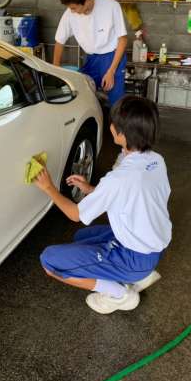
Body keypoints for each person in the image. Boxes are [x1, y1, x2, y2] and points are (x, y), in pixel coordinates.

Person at [33, 95, 172, 314]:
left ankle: (120, 295)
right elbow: (130, 193)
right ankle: (135, 275)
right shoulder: (156, 160)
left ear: (122, 134)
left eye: (113, 123)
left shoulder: (119, 179)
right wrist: (91, 189)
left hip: (135, 258)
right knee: (82, 237)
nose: (111, 125)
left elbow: (75, 214)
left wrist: (48, 187)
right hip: (153, 248)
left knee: (50, 261)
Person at [54, 0, 128, 105]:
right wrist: (55, 70)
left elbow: (123, 39)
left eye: (74, 8)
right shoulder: (69, 14)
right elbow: (59, 41)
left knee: (116, 101)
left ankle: (114, 118)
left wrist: (111, 71)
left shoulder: (112, 7)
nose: (72, 11)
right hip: (91, 59)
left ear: (87, 0)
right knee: (82, 95)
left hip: (112, 57)